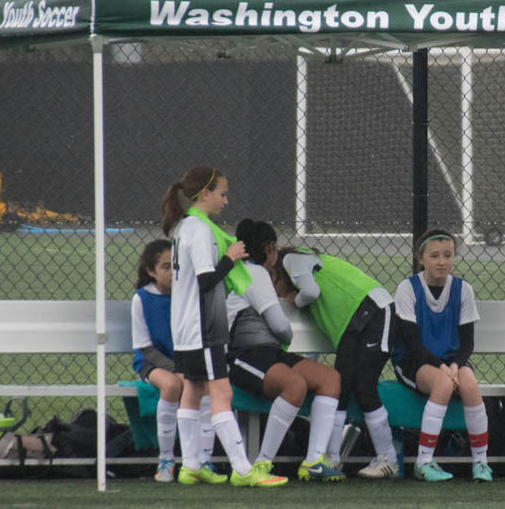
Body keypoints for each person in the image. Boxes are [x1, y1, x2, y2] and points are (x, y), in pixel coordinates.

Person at [161, 165, 287, 488]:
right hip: (204, 328)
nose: (225, 200)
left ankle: (190, 465)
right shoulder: (199, 230)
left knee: (193, 391)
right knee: (222, 392)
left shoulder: (185, 228)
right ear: (204, 194)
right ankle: (244, 470)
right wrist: (230, 257)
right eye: (222, 193)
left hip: (187, 326)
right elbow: (206, 280)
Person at [227, 219, 345, 482]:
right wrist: (288, 336)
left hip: (269, 354)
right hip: (242, 355)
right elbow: (281, 327)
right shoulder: (253, 273)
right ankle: (262, 464)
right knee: (295, 385)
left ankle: (314, 460)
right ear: (269, 249)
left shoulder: (250, 272)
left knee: (329, 378)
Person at [274, 247, 401, 479]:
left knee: (365, 387)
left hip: (375, 309)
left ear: (279, 272)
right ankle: (331, 458)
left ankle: (389, 459)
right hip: (352, 324)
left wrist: (294, 300)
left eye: (274, 281)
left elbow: (310, 292)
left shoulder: (293, 258)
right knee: (338, 390)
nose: (276, 291)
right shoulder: (311, 293)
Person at [391, 229, 492, 482]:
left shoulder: (463, 289)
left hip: (450, 363)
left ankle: (481, 462)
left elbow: (467, 341)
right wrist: (444, 369)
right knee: (443, 383)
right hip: (414, 361)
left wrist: (456, 365)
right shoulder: (408, 288)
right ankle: (424, 462)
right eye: (434, 255)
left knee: (469, 383)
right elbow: (411, 342)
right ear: (421, 258)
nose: (442, 261)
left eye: (448, 255)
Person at [130, 239, 220, 482]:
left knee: (204, 386)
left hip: (185, 359)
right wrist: (177, 368)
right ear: (151, 271)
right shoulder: (142, 299)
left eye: (176, 266)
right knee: (172, 385)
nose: (172, 272)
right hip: (152, 362)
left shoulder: (189, 294)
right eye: (165, 267)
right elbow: (145, 348)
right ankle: (166, 459)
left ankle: (204, 460)